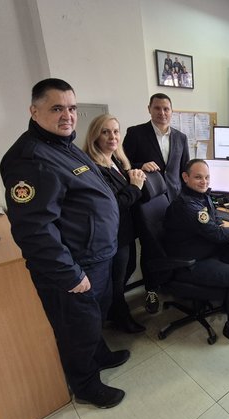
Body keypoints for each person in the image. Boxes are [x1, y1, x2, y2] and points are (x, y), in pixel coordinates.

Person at [0, 78, 127, 409]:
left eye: (71, 108)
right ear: (34, 111)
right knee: (77, 330)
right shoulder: (31, 159)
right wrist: (69, 274)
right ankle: (86, 386)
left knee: (94, 319)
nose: (67, 116)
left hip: (97, 256)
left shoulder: (64, 145)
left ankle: (100, 355)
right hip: (75, 267)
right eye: (57, 108)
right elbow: (34, 230)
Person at [163, 159, 229, 349]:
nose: (204, 181)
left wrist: (225, 225)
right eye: (198, 177)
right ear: (185, 177)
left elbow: (214, 217)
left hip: (206, 250)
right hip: (190, 262)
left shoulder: (200, 196)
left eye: (207, 177)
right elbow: (216, 234)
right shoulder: (187, 205)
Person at [123, 93, 190, 314]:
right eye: (157, 108)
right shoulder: (136, 133)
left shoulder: (180, 137)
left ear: (172, 111)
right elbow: (122, 164)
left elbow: (185, 171)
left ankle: (172, 283)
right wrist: (140, 165)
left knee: (173, 242)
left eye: (166, 108)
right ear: (149, 109)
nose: (162, 113)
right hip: (147, 203)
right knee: (150, 247)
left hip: (174, 201)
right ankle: (151, 289)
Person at [84, 114, 148, 334]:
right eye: (105, 132)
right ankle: (122, 318)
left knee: (127, 269)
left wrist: (135, 175)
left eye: (115, 131)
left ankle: (114, 311)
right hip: (113, 234)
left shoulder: (117, 161)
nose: (112, 136)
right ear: (95, 136)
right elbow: (114, 204)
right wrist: (135, 187)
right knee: (116, 281)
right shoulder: (94, 167)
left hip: (126, 231)